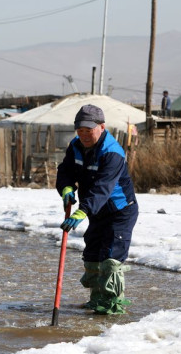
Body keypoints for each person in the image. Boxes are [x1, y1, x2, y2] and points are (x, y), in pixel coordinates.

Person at [56, 104, 138, 315]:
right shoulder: (75, 145)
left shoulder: (112, 153)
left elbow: (103, 188)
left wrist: (82, 211)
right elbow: (65, 170)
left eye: (88, 130)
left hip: (119, 211)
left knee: (110, 258)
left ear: (102, 127)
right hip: (96, 211)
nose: (83, 135)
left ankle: (112, 307)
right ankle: (97, 300)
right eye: (80, 130)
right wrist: (66, 188)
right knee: (92, 255)